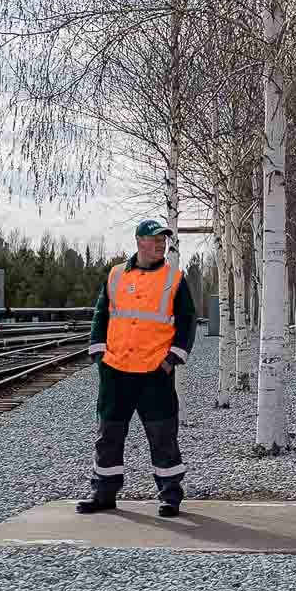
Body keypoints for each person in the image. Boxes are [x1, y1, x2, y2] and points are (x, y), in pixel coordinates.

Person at [78, 218, 198, 517]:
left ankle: (170, 495)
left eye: (164, 239)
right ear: (139, 241)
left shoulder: (175, 278)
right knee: (109, 434)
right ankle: (103, 493)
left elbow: (187, 322)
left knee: (162, 435)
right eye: (155, 238)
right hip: (115, 370)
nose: (161, 243)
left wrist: (171, 360)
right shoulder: (116, 275)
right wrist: (98, 354)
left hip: (154, 374)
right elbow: (101, 314)